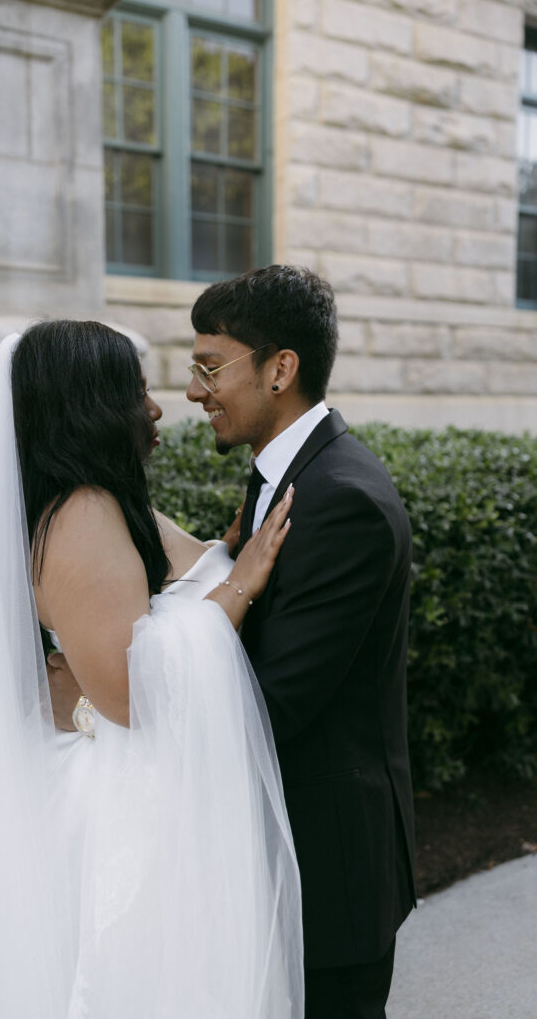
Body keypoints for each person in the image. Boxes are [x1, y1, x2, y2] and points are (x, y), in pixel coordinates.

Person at [0, 321, 304, 1018]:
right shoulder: (81, 516)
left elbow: (178, 585)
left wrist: (225, 554)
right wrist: (238, 589)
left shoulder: (102, 501)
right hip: (119, 811)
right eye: (136, 391)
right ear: (87, 406)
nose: (155, 408)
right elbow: (128, 694)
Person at [186, 264, 417, 1019]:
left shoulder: (340, 500)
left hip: (328, 875)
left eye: (209, 366)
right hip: (278, 860)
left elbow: (271, 702)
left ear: (279, 368)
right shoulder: (284, 479)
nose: (194, 391)